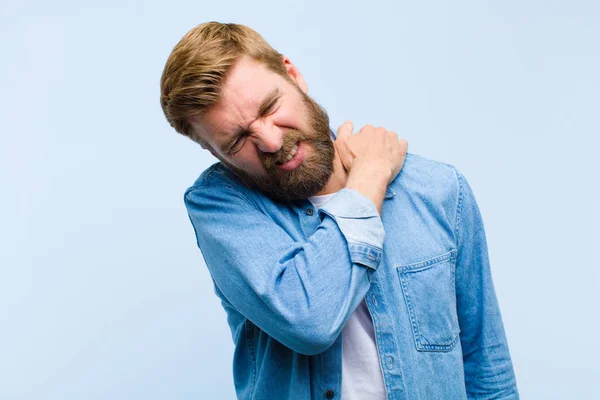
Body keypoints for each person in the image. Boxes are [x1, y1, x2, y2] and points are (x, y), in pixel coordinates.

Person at [160, 22, 519, 400]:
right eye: (236, 140)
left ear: (293, 75)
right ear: (213, 153)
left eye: (270, 106)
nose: (270, 140)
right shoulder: (220, 207)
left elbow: (486, 363)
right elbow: (309, 322)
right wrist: (367, 182)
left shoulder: (438, 190)